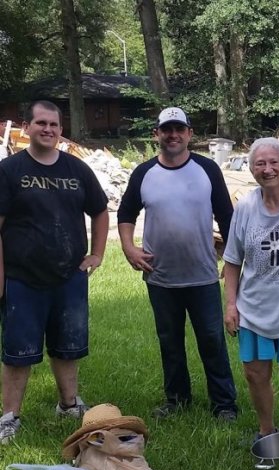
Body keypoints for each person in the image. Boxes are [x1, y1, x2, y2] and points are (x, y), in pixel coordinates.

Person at [117, 107, 237, 420]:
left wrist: (235, 260)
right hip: (160, 278)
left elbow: (227, 217)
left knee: (211, 340)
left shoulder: (207, 169)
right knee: (170, 342)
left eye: (179, 129)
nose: (173, 135)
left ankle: (224, 404)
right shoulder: (144, 173)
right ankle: (177, 399)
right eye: (166, 129)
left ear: (189, 134)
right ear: (157, 133)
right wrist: (130, 248)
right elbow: (125, 214)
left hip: (202, 276)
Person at [0, 100, 109, 444]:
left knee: (68, 348)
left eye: (55, 125)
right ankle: (9, 417)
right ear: (27, 126)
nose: (48, 129)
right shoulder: (9, 170)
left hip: (69, 278)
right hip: (22, 278)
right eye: (42, 123)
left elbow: (101, 211)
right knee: (18, 353)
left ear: (61, 130)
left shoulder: (77, 170)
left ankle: (69, 405)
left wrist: (96, 254)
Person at [223, 137, 279, 441]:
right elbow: (232, 262)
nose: (268, 169)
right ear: (251, 169)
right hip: (254, 308)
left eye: (274, 162)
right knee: (255, 374)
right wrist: (230, 305)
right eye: (260, 163)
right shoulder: (245, 207)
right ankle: (266, 430)